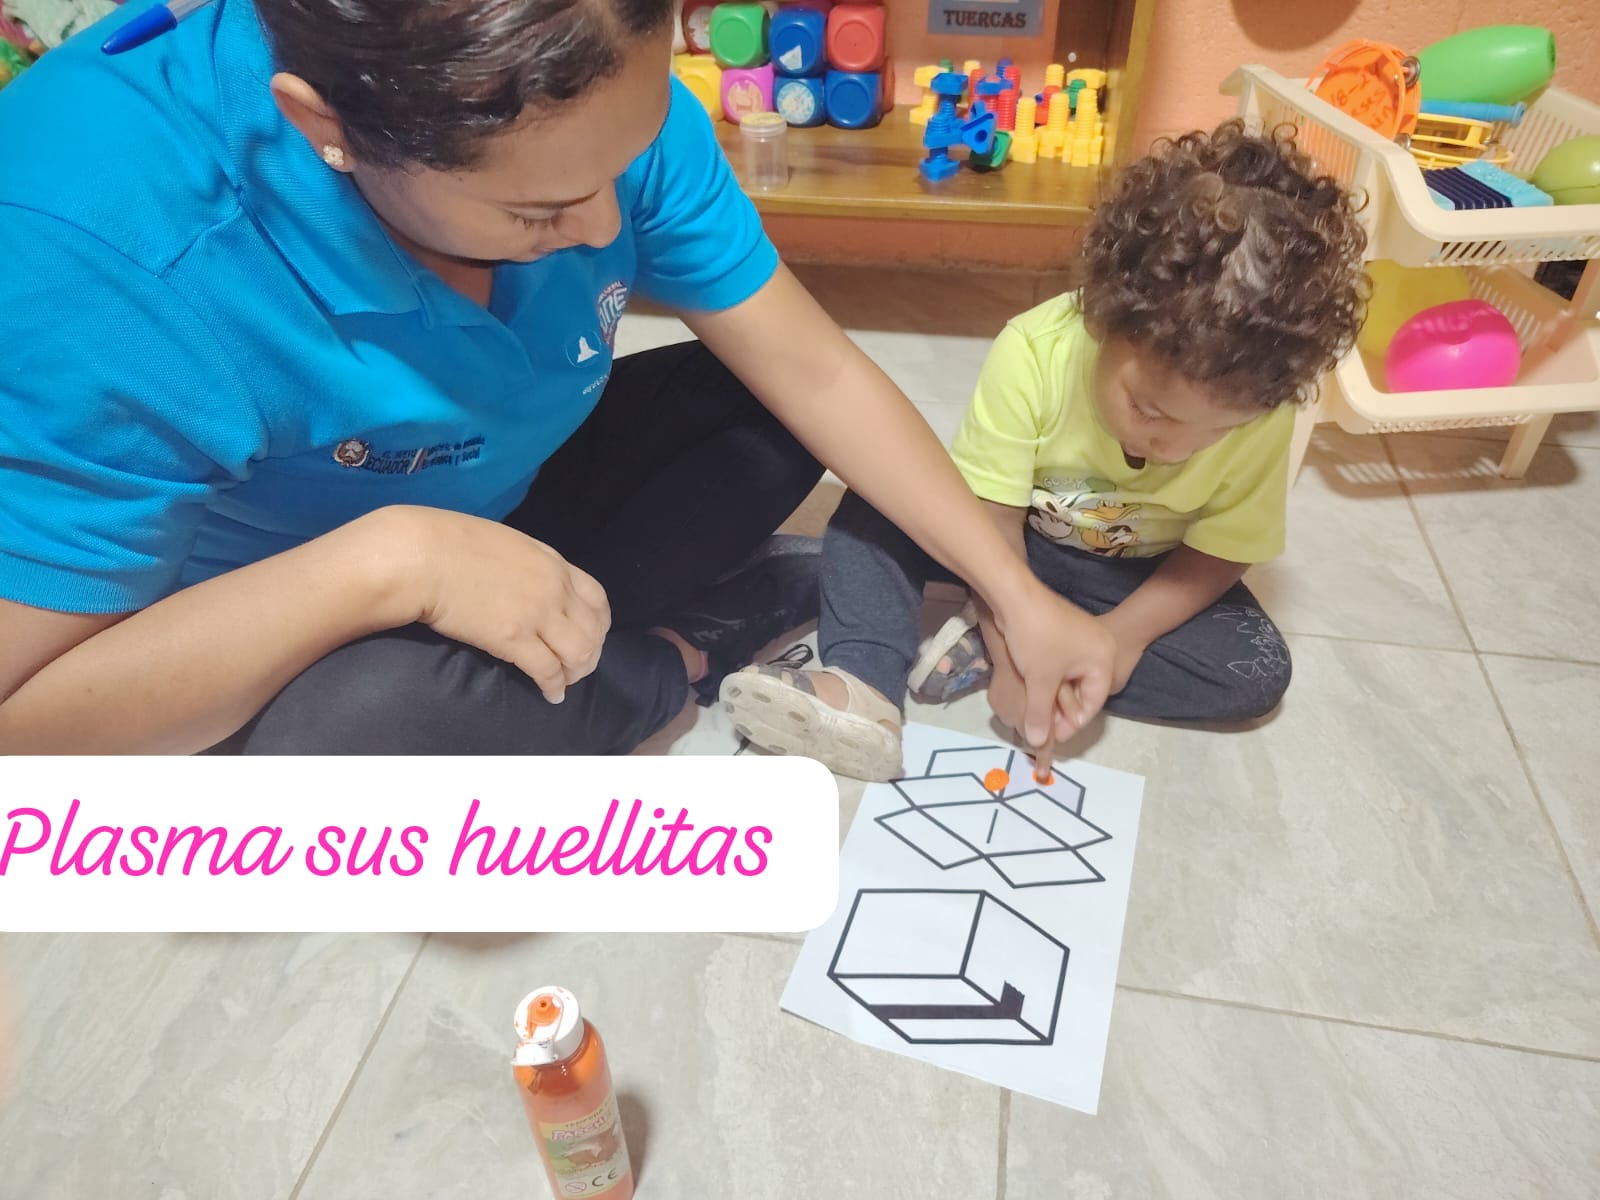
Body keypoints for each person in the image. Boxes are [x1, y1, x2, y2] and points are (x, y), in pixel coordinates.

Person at [0, 0, 1108, 755]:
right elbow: (24, 724)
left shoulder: (597, 82)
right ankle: (674, 657)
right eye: (537, 210)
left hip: (504, 491)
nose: (605, 228)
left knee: (763, 405)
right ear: (327, 127)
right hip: (274, 614)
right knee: (352, 736)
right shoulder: (98, 246)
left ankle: (573, 639)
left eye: (624, 163)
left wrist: (1017, 596)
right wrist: (392, 564)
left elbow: (813, 370)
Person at [723, 122, 1368, 780]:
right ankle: (864, 683)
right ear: (1102, 317)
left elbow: (1222, 550)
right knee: (877, 505)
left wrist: (1116, 642)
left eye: (1217, 432)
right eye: (1149, 410)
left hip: (1128, 578)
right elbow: (991, 519)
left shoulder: (1267, 403)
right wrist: (1010, 641)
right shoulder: (1035, 350)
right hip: (1004, 543)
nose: (1175, 448)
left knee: (1255, 671)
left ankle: (1055, 645)